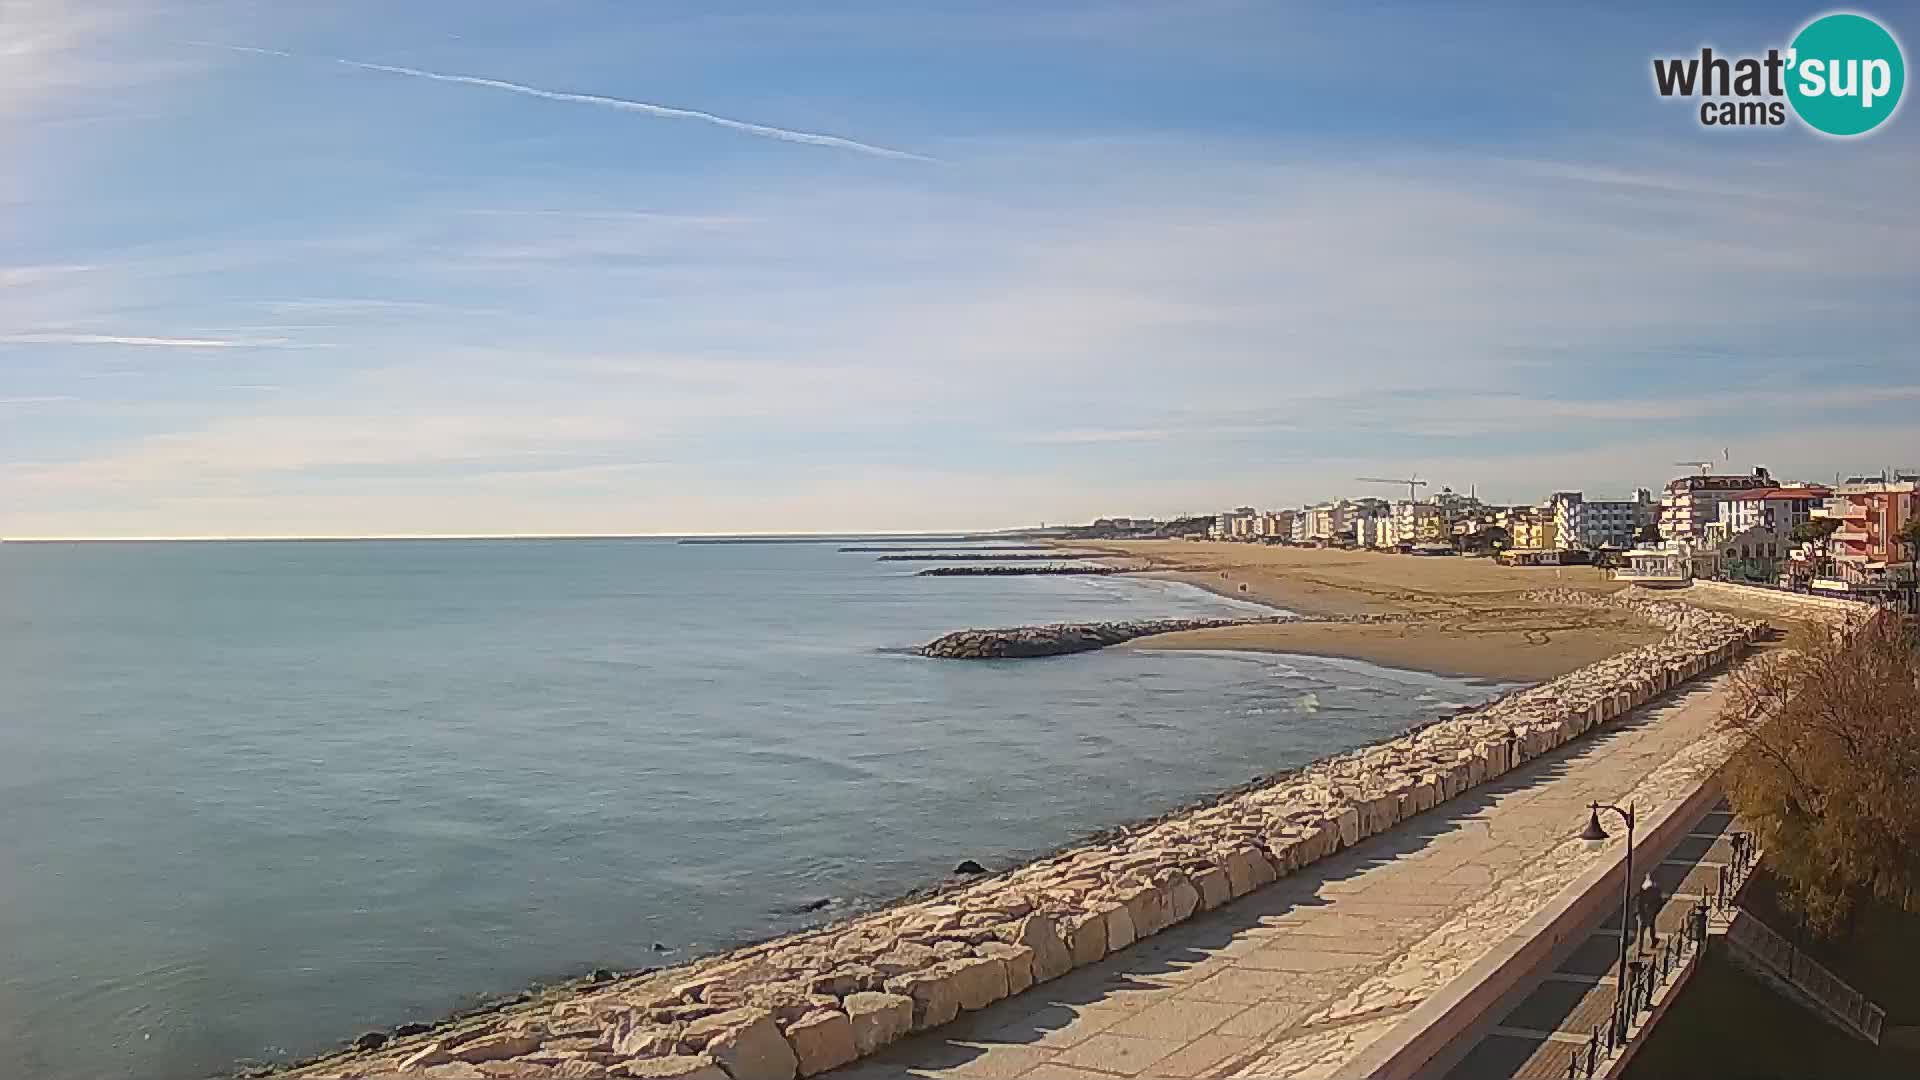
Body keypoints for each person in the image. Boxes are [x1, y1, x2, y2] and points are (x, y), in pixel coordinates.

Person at [1637, 873, 1663, 949]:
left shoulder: (1647, 887)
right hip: (1648, 910)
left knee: (1646, 928)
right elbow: (1658, 898)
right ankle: (1640, 948)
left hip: (1647, 910)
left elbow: (1641, 900)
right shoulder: (1652, 888)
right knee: (1645, 928)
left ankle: (1651, 942)